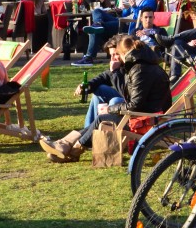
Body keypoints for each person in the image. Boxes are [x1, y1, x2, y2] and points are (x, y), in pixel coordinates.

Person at [40, 36, 171, 163]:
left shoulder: (140, 69)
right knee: (102, 115)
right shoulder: (140, 65)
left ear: (123, 52)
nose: (115, 58)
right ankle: (65, 144)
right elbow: (110, 80)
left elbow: (135, 104)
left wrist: (110, 109)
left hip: (147, 119)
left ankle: (72, 151)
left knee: (103, 118)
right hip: (146, 114)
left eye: (117, 54)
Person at [73, 0, 156, 67]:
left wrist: (134, 7)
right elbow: (126, 14)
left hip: (128, 24)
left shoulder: (150, 1)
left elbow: (142, 18)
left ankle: (89, 57)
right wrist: (125, 9)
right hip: (123, 19)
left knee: (95, 29)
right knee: (96, 11)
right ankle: (98, 23)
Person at [77, 34, 129, 129]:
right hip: (127, 98)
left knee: (115, 101)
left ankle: (107, 134)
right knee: (99, 89)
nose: (113, 58)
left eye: (116, 54)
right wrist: (87, 86)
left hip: (133, 103)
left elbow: (126, 92)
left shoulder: (131, 66)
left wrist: (114, 72)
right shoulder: (119, 65)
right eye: (111, 55)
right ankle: (88, 131)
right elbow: (102, 78)